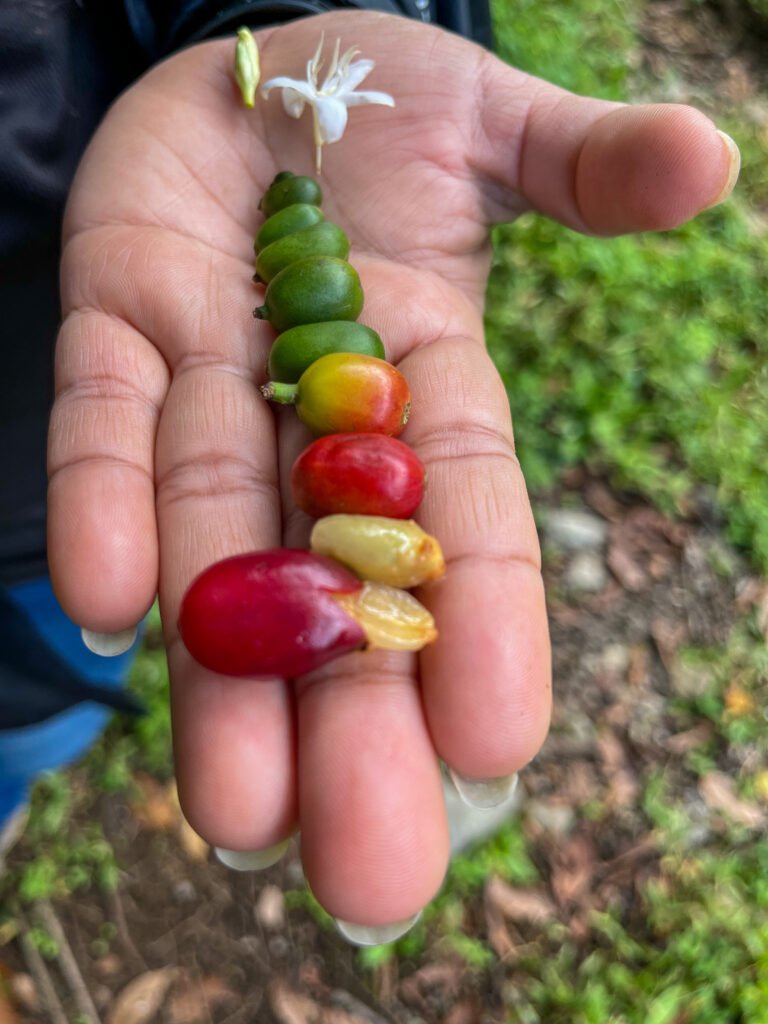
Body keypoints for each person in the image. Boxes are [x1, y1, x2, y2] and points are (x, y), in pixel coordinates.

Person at [0, 0, 739, 945]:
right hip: (57, 381)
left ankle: (15, 776)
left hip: (28, 435)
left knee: (35, 690)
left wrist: (291, 12)